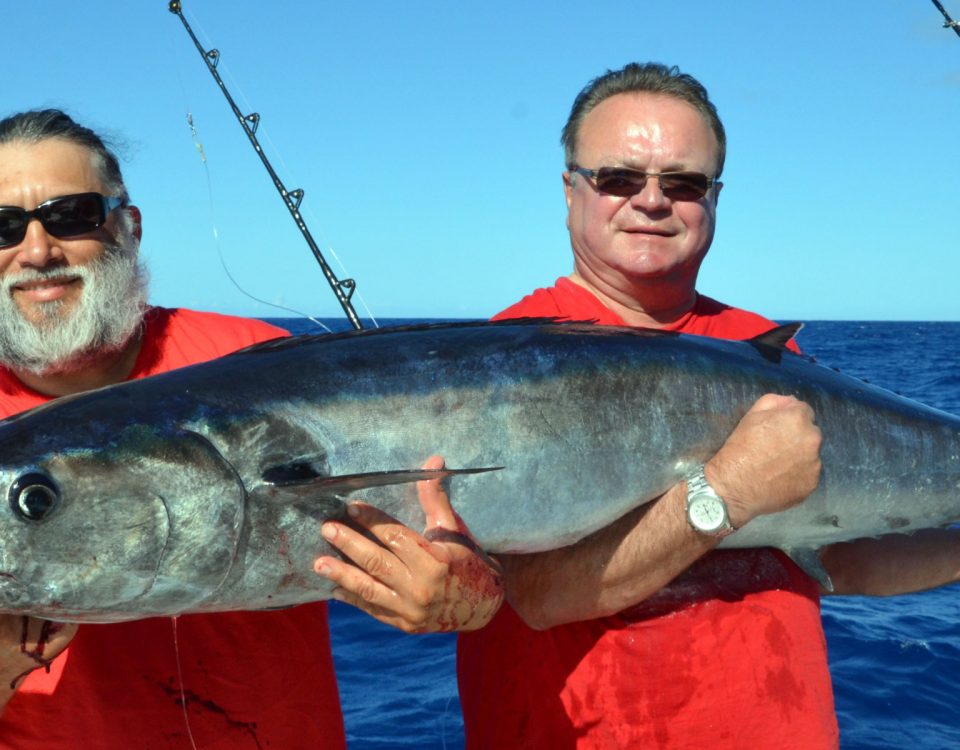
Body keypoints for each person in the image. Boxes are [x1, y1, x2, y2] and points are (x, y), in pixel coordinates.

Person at [454, 62, 960, 749]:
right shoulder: (500, 366)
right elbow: (539, 595)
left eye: (683, 183)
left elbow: (844, 559)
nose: (652, 201)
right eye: (619, 178)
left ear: (714, 200)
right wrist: (724, 490)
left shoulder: (766, 351)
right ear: (570, 191)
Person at [0, 109, 502, 748]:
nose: (37, 251)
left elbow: (477, 567)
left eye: (72, 215)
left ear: (129, 227)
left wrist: (463, 594)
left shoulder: (258, 364)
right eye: (3, 228)